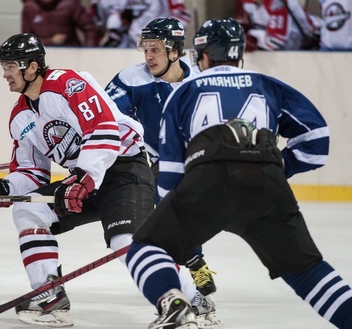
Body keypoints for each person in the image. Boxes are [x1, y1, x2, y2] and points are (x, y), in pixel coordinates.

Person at [0, 33, 214, 327]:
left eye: (10, 67)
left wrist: (84, 177)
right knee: (28, 210)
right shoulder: (20, 116)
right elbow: (32, 172)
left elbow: (104, 130)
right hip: (84, 181)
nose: (4, 74)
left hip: (123, 170)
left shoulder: (66, 83)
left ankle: (186, 299)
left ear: (31, 67)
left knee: (127, 242)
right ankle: (49, 294)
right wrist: (1, 190)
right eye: (1, 67)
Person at [125, 17, 352, 329]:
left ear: (203, 56)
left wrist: (173, 220)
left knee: (144, 248)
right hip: (267, 183)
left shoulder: (184, 92)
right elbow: (316, 142)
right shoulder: (269, 85)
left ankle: (173, 301)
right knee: (307, 271)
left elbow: (172, 173)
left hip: (207, 183)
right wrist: (273, 165)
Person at [105, 17, 219, 301]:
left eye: (155, 49)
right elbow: (105, 118)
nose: (148, 56)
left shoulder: (199, 81)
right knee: (164, 212)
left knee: (185, 209)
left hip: (191, 158)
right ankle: (185, 267)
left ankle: (193, 261)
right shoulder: (132, 79)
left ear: (174, 51)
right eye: (145, 49)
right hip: (148, 159)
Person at [90, 0, 191, 48]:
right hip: (128, 49)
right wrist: (114, 33)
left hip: (159, 48)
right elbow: (117, 21)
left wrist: (162, 34)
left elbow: (183, 17)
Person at [242, 0, 321, 50]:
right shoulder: (250, 4)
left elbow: (276, 41)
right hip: (289, 42)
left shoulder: (277, 3)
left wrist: (251, 37)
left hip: (311, 41)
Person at [21, 0, 97, 46]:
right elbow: (26, 38)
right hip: (40, 55)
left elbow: (89, 28)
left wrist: (89, 51)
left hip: (70, 52)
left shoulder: (70, 4)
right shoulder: (29, 7)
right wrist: (51, 41)